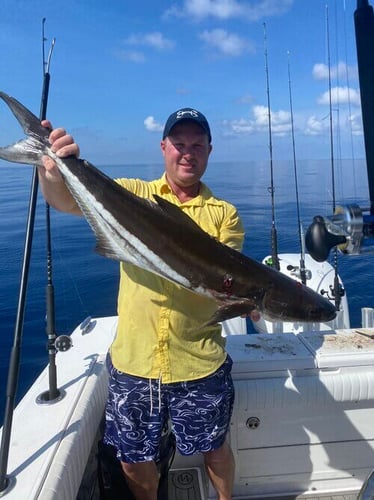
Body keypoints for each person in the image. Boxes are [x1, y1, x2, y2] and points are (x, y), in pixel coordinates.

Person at [40, 108, 245, 500]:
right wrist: (51, 171)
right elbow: (65, 201)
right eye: (179, 144)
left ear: (209, 151)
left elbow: (224, 275)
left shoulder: (226, 215)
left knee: (215, 449)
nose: (188, 153)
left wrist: (244, 299)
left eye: (197, 145)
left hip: (199, 361)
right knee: (133, 460)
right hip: (136, 361)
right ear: (163, 147)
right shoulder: (134, 194)